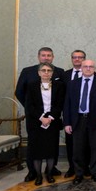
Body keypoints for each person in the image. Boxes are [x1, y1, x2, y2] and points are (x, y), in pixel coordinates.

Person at [15, 47, 65, 182]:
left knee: (51, 144)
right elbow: (20, 92)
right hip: (35, 118)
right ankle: (33, 172)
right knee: (34, 145)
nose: (46, 58)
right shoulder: (27, 71)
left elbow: (61, 98)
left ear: (53, 57)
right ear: (39, 57)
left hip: (52, 118)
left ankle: (51, 169)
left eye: (49, 55)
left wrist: (50, 116)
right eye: (44, 55)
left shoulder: (59, 72)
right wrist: (35, 112)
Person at [63, 59, 96, 185]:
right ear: (81, 68)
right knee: (78, 149)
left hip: (95, 121)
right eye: (85, 66)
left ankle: (95, 172)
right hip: (77, 120)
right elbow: (67, 104)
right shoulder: (73, 84)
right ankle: (79, 174)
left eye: (91, 67)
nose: (88, 69)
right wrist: (67, 123)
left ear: (94, 68)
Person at [24, 63, 66, 185]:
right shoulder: (31, 86)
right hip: (36, 122)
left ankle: (49, 174)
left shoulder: (59, 85)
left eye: (49, 70)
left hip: (52, 122)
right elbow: (29, 105)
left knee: (51, 149)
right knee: (36, 150)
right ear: (39, 72)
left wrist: (50, 117)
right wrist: (41, 117)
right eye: (43, 70)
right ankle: (38, 176)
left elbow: (60, 103)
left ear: (52, 73)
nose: (46, 72)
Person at [62, 49, 87, 178]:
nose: (77, 59)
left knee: (85, 143)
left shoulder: (90, 74)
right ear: (72, 59)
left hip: (86, 116)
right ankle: (72, 168)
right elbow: (63, 98)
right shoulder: (64, 75)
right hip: (71, 116)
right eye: (74, 57)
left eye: (80, 57)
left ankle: (85, 167)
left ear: (84, 59)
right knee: (71, 143)